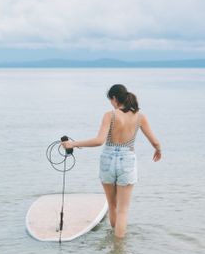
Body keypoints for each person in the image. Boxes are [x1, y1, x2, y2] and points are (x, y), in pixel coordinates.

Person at [62, 84, 162, 238]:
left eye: (110, 100)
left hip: (108, 160)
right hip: (127, 160)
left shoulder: (110, 115)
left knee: (112, 205)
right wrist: (158, 149)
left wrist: (73, 144)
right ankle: (119, 250)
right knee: (123, 210)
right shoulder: (140, 116)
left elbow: (99, 141)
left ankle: (113, 248)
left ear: (114, 98)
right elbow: (155, 142)